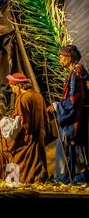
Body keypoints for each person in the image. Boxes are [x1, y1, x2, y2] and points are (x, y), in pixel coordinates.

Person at [0, 73, 48, 183]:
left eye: (12, 87)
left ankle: (10, 178)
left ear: (18, 85)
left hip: (26, 139)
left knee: (3, 148)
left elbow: (20, 124)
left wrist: (4, 125)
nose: (12, 90)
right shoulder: (38, 96)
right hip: (39, 137)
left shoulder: (22, 98)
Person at [47, 45, 88, 184]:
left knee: (65, 149)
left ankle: (65, 180)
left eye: (61, 56)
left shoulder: (77, 73)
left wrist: (58, 106)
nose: (59, 60)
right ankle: (72, 179)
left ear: (69, 57)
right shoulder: (74, 73)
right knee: (72, 150)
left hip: (73, 120)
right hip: (73, 118)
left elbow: (75, 99)